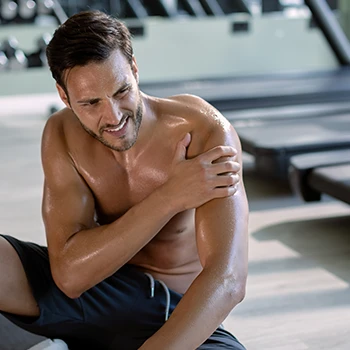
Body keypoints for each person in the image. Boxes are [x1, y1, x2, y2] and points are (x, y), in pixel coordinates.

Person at [0, 10, 249, 350]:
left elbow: (229, 280)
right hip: (96, 293)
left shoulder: (202, 132)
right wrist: (169, 197)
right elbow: (70, 277)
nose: (113, 116)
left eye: (121, 92)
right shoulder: (61, 134)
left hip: (170, 314)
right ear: (63, 96)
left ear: (134, 69)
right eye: (90, 103)